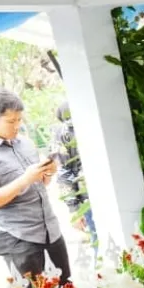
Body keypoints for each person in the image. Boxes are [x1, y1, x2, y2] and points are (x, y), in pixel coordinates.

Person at [0, 89, 70, 288]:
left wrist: (47, 173)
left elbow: (39, 185)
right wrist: (25, 179)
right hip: (18, 236)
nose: (17, 125)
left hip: (50, 229)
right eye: (11, 121)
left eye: (19, 119)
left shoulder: (25, 143)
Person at [51, 102, 96, 257]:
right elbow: (64, 171)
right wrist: (75, 209)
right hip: (88, 200)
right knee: (102, 244)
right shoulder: (64, 133)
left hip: (105, 193)